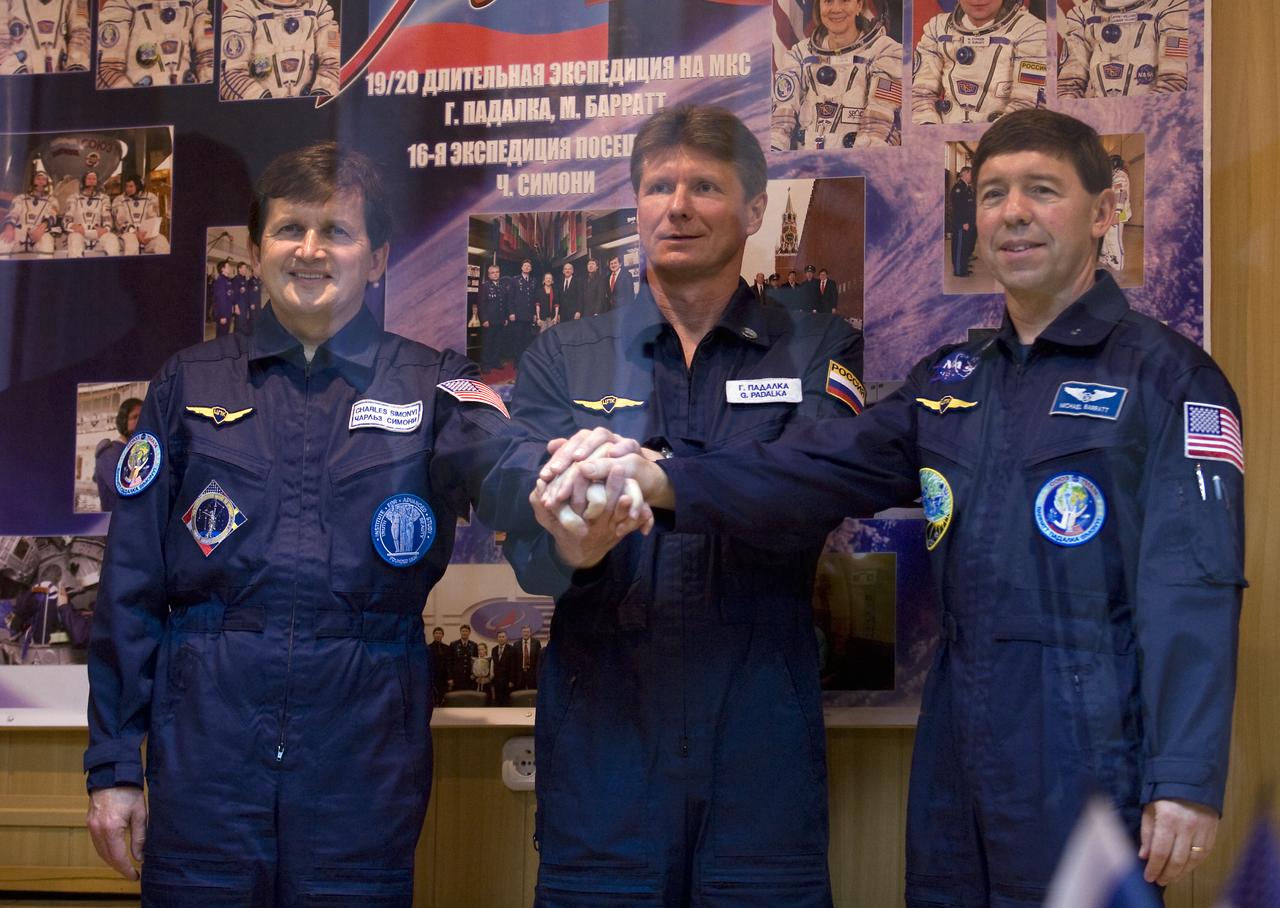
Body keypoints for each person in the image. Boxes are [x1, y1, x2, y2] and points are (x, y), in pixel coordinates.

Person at [550, 108, 1243, 903]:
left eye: (1042, 190)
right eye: (991, 194)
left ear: (1104, 210)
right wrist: (661, 480)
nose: (1012, 213)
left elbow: (1194, 585)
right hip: (955, 741)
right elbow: (811, 466)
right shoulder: (953, 381)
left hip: (1092, 742)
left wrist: (1186, 775)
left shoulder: (1170, 380)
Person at [83, 141, 515, 903]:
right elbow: (130, 585)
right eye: (289, 230)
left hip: (362, 762)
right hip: (206, 762)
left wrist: (580, 474)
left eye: (337, 232)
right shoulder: (188, 383)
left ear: (376, 257)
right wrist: (116, 768)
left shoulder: (437, 383)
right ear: (256, 251)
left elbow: (513, 474)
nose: (310, 250)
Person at [495, 103, 865, 905]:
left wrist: (661, 479)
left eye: (705, 185)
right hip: (603, 743)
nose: (679, 204)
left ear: (754, 210)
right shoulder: (564, 354)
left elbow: (814, 489)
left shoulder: (819, 347)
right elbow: (528, 543)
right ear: (637, 206)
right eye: (659, 185)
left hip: (760, 740)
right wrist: (572, 548)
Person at [772, 0, 902, 150]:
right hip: (806, 166)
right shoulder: (800, 55)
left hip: (860, 166)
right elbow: (780, 122)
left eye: (845, 1)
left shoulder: (885, 52)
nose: (836, 8)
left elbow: (880, 125)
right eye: (828, 1)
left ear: (859, 5)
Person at [912, 0, 1046, 125]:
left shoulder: (1030, 31)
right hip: (943, 140)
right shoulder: (938, 29)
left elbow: (1028, 104)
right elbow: (919, 96)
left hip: (1006, 139)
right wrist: (929, 132)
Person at [1059, 0, 1188, 98]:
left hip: (1152, 119)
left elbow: (1174, 83)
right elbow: (1067, 88)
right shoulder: (1083, 15)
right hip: (1096, 120)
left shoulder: (1171, 7)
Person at [219, 0, 338, 99]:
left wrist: (321, 96)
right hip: (261, 116)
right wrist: (265, 104)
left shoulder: (319, 9)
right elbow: (228, 74)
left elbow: (334, 61)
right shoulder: (240, 14)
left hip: (312, 112)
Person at [96, 0, 214, 87]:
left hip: (187, 97)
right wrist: (132, 101)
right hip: (143, 101)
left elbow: (208, 58)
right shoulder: (122, 3)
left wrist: (206, 91)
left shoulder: (198, 4)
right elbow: (104, 71)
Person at [0, 0, 89, 73]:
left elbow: (80, 33)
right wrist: (15, 71)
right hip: (21, 79)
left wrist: (76, 67)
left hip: (61, 78)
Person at [93, 398, 143, 512]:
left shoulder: (139, 450)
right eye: (135, 417)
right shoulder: (109, 453)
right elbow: (126, 490)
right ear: (123, 421)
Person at [0, 170, 59, 256]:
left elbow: (52, 215)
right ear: (32, 181)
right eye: (38, 179)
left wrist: (42, 228)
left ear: (47, 183)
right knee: (3, 241)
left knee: (47, 242)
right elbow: (13, 213)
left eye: (43, 179)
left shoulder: (52, 200)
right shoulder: (20, 198)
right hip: (19, 231)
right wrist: (9, 228)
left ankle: (44, 268)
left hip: (40, 231)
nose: (41, 182)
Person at [66, 171, 122, 258]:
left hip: (97, 232)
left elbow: (107, 217)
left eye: (94, 179)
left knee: (112, 239)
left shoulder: (104, 198)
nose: (91, 181)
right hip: (80, 231)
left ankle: (112, 269)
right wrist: (73, 226)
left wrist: (105, 229)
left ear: (97, 182)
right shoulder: (74, 197)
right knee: (74, 240)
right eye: (89, 178)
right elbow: (67, 218)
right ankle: (76, 269)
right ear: (84, 180)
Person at [112, 175, 170, 256]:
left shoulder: (151, 197)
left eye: (131, 186)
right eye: (126, 186)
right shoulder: (119, 200)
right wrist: (135, 232)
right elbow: (120, 221)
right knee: (132, 242)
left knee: (162, 242)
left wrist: (149, 234)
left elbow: (152, 219)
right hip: (127, 234)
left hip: (146, 235)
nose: (127, 189)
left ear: (139, 186)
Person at [1100, 154, 1131, 273]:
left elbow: (1120, 195)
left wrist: (1116, 213)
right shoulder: (1113, 176)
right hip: (1111, 212)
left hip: (1118, 213)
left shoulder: (1120, 176)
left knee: (1114, 240)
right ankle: (1109, 260)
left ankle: (1118, 266)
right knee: (1107, 238)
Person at [506, 259, 540, 362]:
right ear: (521, 267)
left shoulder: (534, 281)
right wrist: (511, 312)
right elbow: (510, 298)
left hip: (529, 315)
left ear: (531, 268)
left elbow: (534, 298)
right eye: (525, 266)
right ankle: (517, 361)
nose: (526, 267)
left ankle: (525, 360)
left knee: (527, 339)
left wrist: (535, 314)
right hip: (518, 315)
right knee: (518, 339)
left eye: (528, 266)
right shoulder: (515, 280)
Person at [476, 264, 507, 370]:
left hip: (500, 319)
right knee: (487, 343)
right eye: (493, 272)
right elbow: (481, 304)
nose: (495, 274)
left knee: (498, 342)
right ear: (489, 275)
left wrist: (505, 318)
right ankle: (485, 364)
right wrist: (484, 319)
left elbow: (504, 304)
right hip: (489, 320)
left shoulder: (502, 286)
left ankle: (495, 362)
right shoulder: (485, 286)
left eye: (497, 272)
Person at [949, 165, 976, 277]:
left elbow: (969, 206)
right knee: (959, 247)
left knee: (965, 246)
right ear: (964, 173)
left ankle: (963, 267)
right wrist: (964, 222)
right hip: (962, 223)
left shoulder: (967, 188)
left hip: (968, 223)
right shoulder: (958, 188)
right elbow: (959, 207)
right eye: (970, 174)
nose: (972, 176)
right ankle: (959, 271)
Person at [210, 259, 238, 335]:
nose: (229, 268)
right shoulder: (220, 281)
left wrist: (234, 306)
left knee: (225, 334)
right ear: (223, 269)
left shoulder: (228, 280)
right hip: (223, 314)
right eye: (228, 266)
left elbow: (231, 295)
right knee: (221, 336)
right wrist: (222, 315)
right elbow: (220, 300)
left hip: (228, 312)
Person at [449, 623, 478, 693]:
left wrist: (474, 674)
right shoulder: (454, 644)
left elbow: (475, 662)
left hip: (469, 678)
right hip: (457, 677)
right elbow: (449, 662)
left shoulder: (474, 645)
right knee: (457, 698)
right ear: (460, 632)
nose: (464, 633)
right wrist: (450, 677)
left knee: (469, 698)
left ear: (469, 632)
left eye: (466, 631)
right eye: (463, 631)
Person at [490, 629, 516, 705]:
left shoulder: (511, 649)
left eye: (503, 637)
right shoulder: (494, 649)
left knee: (506, 701)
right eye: (499, 637)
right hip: (496, 681)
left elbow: (513, 666)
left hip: (507, 681)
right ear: (497, 638)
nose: (501, 638)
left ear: (506, 638)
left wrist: (512, 680)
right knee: (497, 701)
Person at [512, 623, 539, 692]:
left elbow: (538, 659)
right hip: (520, 674)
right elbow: (514, 662)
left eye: (527, 632)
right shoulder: (516, 644)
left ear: (530, 633)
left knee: (532, 693)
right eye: (524, 632)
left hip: (532, 674)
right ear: (521, 633)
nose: (526, 633)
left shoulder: (536, 643)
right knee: (519, 694)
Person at [428, 625, 450, 705]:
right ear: (433, 635)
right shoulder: (428, 648)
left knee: (443, 696)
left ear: (442, 635)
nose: (438, 635)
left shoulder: (447, 648)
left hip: (443, 677)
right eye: (436, 633)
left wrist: (449, 677)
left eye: (440, 633)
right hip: (433, 676)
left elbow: (449, 663)